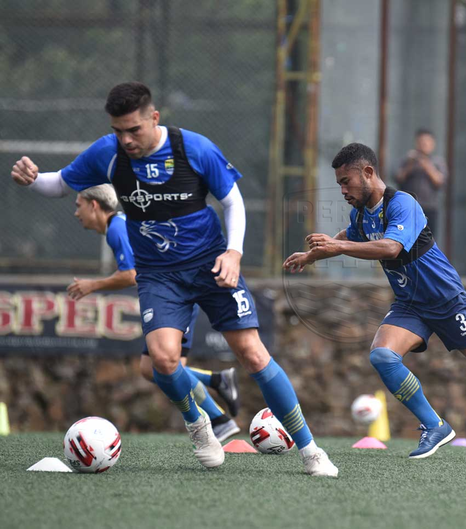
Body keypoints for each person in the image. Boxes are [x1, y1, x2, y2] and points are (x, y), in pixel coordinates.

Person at [11, 81, 337, 476]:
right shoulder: (108, 153)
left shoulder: (194, 148)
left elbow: (232, 201)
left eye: (134, 129)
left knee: (252, 354)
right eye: (118, 131)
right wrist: (33, 178)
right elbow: (59, 184)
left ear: (154, 118)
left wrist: (234, 252)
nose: (126, 139)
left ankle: (310, 449)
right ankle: (199, 425)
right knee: (162, 361)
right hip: (159, 276)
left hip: (211, 265)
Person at [284, 142, 466, 462]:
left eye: (346, 181)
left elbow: (390, 249)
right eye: (339, 184)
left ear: (368, 173)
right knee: (382, 356)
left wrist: (336, 248)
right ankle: (434, 425)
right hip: (410, 305)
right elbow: (348, 235)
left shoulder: (403, 203)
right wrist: (311, 255)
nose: (343, 189)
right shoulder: (360, 215)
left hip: (447, 299)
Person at [68, 184, 241, 442]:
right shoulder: (119, 225)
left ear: (94, 205)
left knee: (164, 367)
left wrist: (93, 285)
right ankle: (217, 384)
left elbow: (131, 275)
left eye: (78, 205)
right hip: (173, 297)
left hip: (176, 301)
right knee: (151, 369)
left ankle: (219, 418)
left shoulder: (116, 228)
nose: (75, 212)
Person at [394, 129, 447, 239]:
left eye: (427, 142)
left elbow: (439, 181)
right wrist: (410, 164)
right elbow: (398, 178)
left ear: (433, 144)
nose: (424, 145)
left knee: (428, 241)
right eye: (421, 141)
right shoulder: (408, 160)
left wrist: (426, 164)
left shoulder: (438, 162)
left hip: (429, 208)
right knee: (406, 239)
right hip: (409, 207)